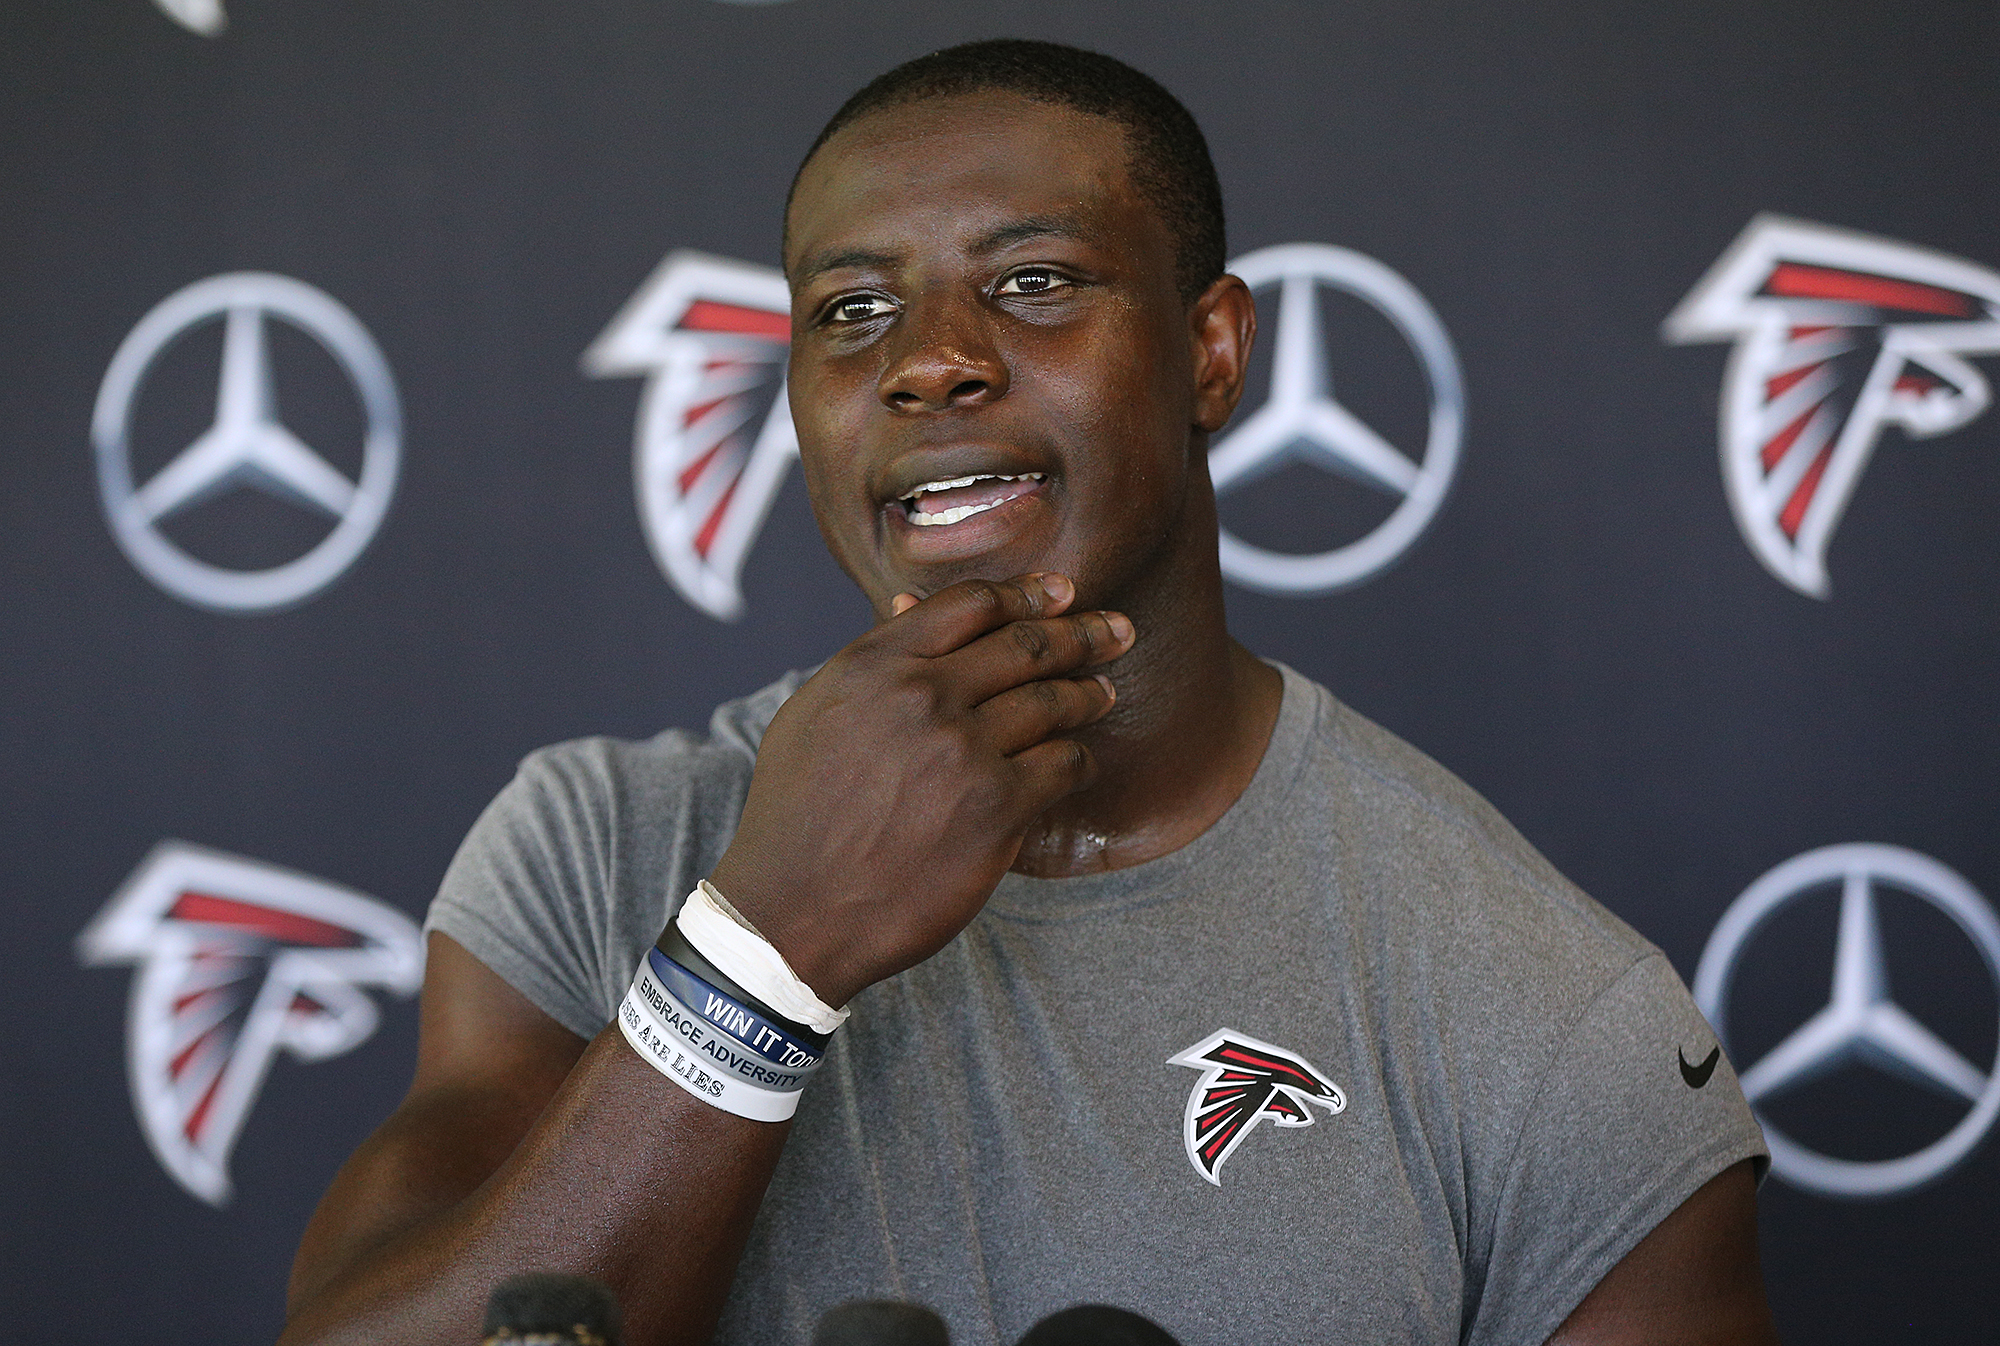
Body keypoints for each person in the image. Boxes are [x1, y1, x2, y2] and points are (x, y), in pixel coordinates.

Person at [279, 40, 1776, 1346]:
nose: (931, 362)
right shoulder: (593, 844)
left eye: (1035, 282)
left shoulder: (1541, 1008)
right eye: (852, 311)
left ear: (1210, 350)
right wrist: (760, 954)